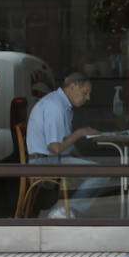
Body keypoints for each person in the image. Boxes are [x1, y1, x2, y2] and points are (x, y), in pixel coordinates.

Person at [26, 71, 109, 218]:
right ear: (72, 87)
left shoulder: (61, 104)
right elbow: (56, 148)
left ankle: (68, 209)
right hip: (45, 161)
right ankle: (66, 211)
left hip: (50, 158)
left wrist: (85, 160)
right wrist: (79, 133)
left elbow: (64, 145)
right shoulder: (55, 107)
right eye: (85, 93)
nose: (88, 98)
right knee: (103, 172)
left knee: (99, 169)